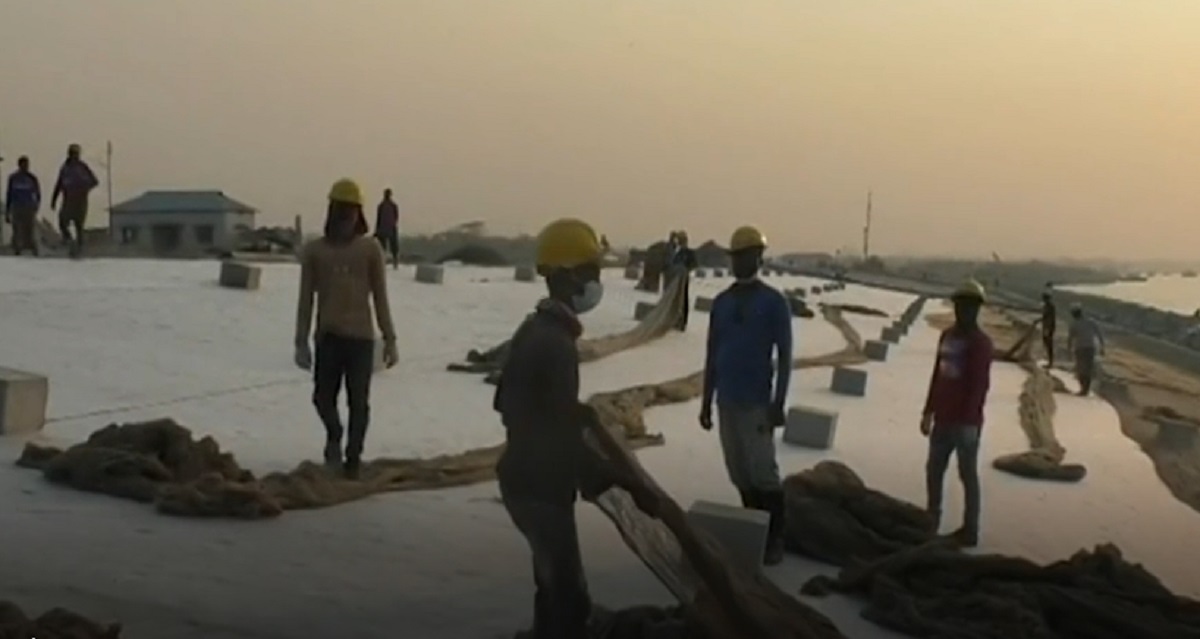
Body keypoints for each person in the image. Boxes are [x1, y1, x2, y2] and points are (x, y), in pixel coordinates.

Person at [493, 217, 658, 638]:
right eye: (590, 272)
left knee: (551, 583)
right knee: (567, 597)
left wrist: (566, 412)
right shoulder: (556, 344)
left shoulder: (535, 328)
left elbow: (507, 402)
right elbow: (559, 439)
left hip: (522, 478)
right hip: (540, 487)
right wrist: (621, 480)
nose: (595, 283)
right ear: (566, 277)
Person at [698, 225, 793, 566]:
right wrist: (706, 400)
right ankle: (754, 528)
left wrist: (778, 403)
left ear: (759, 258)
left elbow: (785, 355)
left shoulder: (773, 303)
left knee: (763, 471)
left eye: (746, 256)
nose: (739, 263)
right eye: (735, 257)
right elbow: (712, 351)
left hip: (756, 402)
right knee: (738, 470)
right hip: (727, 399)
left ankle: (775, 537)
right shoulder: (722, 303)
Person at [294, 178, 399, 480]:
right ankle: (334, 433)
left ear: (359, 214)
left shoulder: (370, 249)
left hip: (361, 339)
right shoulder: (315, 251)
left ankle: (353, 457)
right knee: (322, 398)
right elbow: (305, 300)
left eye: (351, 212)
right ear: (332, 212)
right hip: (328, 337)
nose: (346, 218)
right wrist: (301, 342)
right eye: (341, 211)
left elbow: (380, 297)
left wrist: (390, 339)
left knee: (358, 403)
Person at [920, 280, 993, 548]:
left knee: (967, 475)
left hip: (965, 423)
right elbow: (937, 375)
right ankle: (931, 520)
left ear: (977, 309)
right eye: (961, 305)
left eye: (970, 306)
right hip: (943, 418)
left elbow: (979, 386)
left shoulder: (981, 343)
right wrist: (928, 410)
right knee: (934, 471)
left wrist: (966, 420)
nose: (964, 310)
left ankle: (971, 529)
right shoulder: (948, 336)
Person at [50, 144, 99, 258]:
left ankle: (80, 248)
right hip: (68, 200)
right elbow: (59, 184)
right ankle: (69, 241)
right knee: (63, 221)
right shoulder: (65, 168)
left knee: (79, 225)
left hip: (80, 201)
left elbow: (94, 181)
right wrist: (54, 200)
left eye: (76, 154)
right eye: (72, 153)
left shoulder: (83, 167)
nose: (74, 156)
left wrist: (84, 189)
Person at [5, 156, 42, 256]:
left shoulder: (32, 178)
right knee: (17, 229)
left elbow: (38, 193)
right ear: (19, 165)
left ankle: (33, 250)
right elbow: (9, 194)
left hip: (28, 207)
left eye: (26, 165)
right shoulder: (13, 178)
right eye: (23, 165)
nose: (25, 167)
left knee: (29, 229)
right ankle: (17, 249)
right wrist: (7, 211)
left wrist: (36, 205)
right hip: (17, 207)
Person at [1066, 304, 1106, 397]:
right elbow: (1099, 335)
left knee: (1081, 369)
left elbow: (1070, 338)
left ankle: (1083, 389)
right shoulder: (1091, 322)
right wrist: (1102, 347)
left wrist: (1069, 349)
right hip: (1090, 348)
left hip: (1080, 348)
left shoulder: (1074, 324)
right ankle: (1085, 389)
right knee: (1087, 369)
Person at [667, 230, 698, 331]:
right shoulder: (678, 253)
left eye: (682, 240)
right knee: (675, 299)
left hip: (683, 279)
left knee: (683, 299)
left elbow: (694, 265)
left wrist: (685, 269)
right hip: (675, 280)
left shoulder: (689, 253)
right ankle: (674, 320)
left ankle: (682, 322)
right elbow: (672, 263)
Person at [374, 188, 400, 269]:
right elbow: (396, 217)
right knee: (390, 247)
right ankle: (392, 262)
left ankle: (392, 262)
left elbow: (379, 219)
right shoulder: (389, 206)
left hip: (385, 228)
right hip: (388, 228)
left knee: (387, 247)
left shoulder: (383, 206)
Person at [1040, 292, 1057, 368]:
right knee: (1046, 343)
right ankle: (1049, 361)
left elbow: (1048, 317)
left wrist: (1049, 328)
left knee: (1049, 344)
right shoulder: (1046, 306)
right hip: (1047, 326)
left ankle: (1050, 362)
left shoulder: (1050, 307)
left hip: (1048, 327)